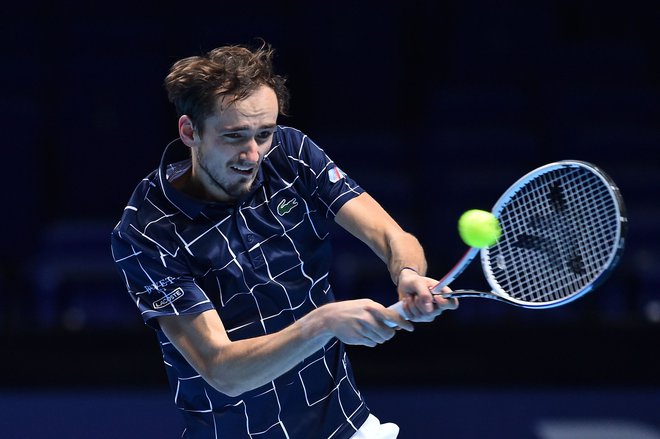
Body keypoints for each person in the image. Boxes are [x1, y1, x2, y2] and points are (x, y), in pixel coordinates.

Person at [110, 42, 458, 439]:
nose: (253, 154)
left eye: (264, 133)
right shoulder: (147, 229)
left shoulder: (290, 155)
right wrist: (322, 323)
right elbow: (221, 369)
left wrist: (408, 272)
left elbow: (390, 234)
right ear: (191, 131)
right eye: (235, 136)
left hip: (345, 427)